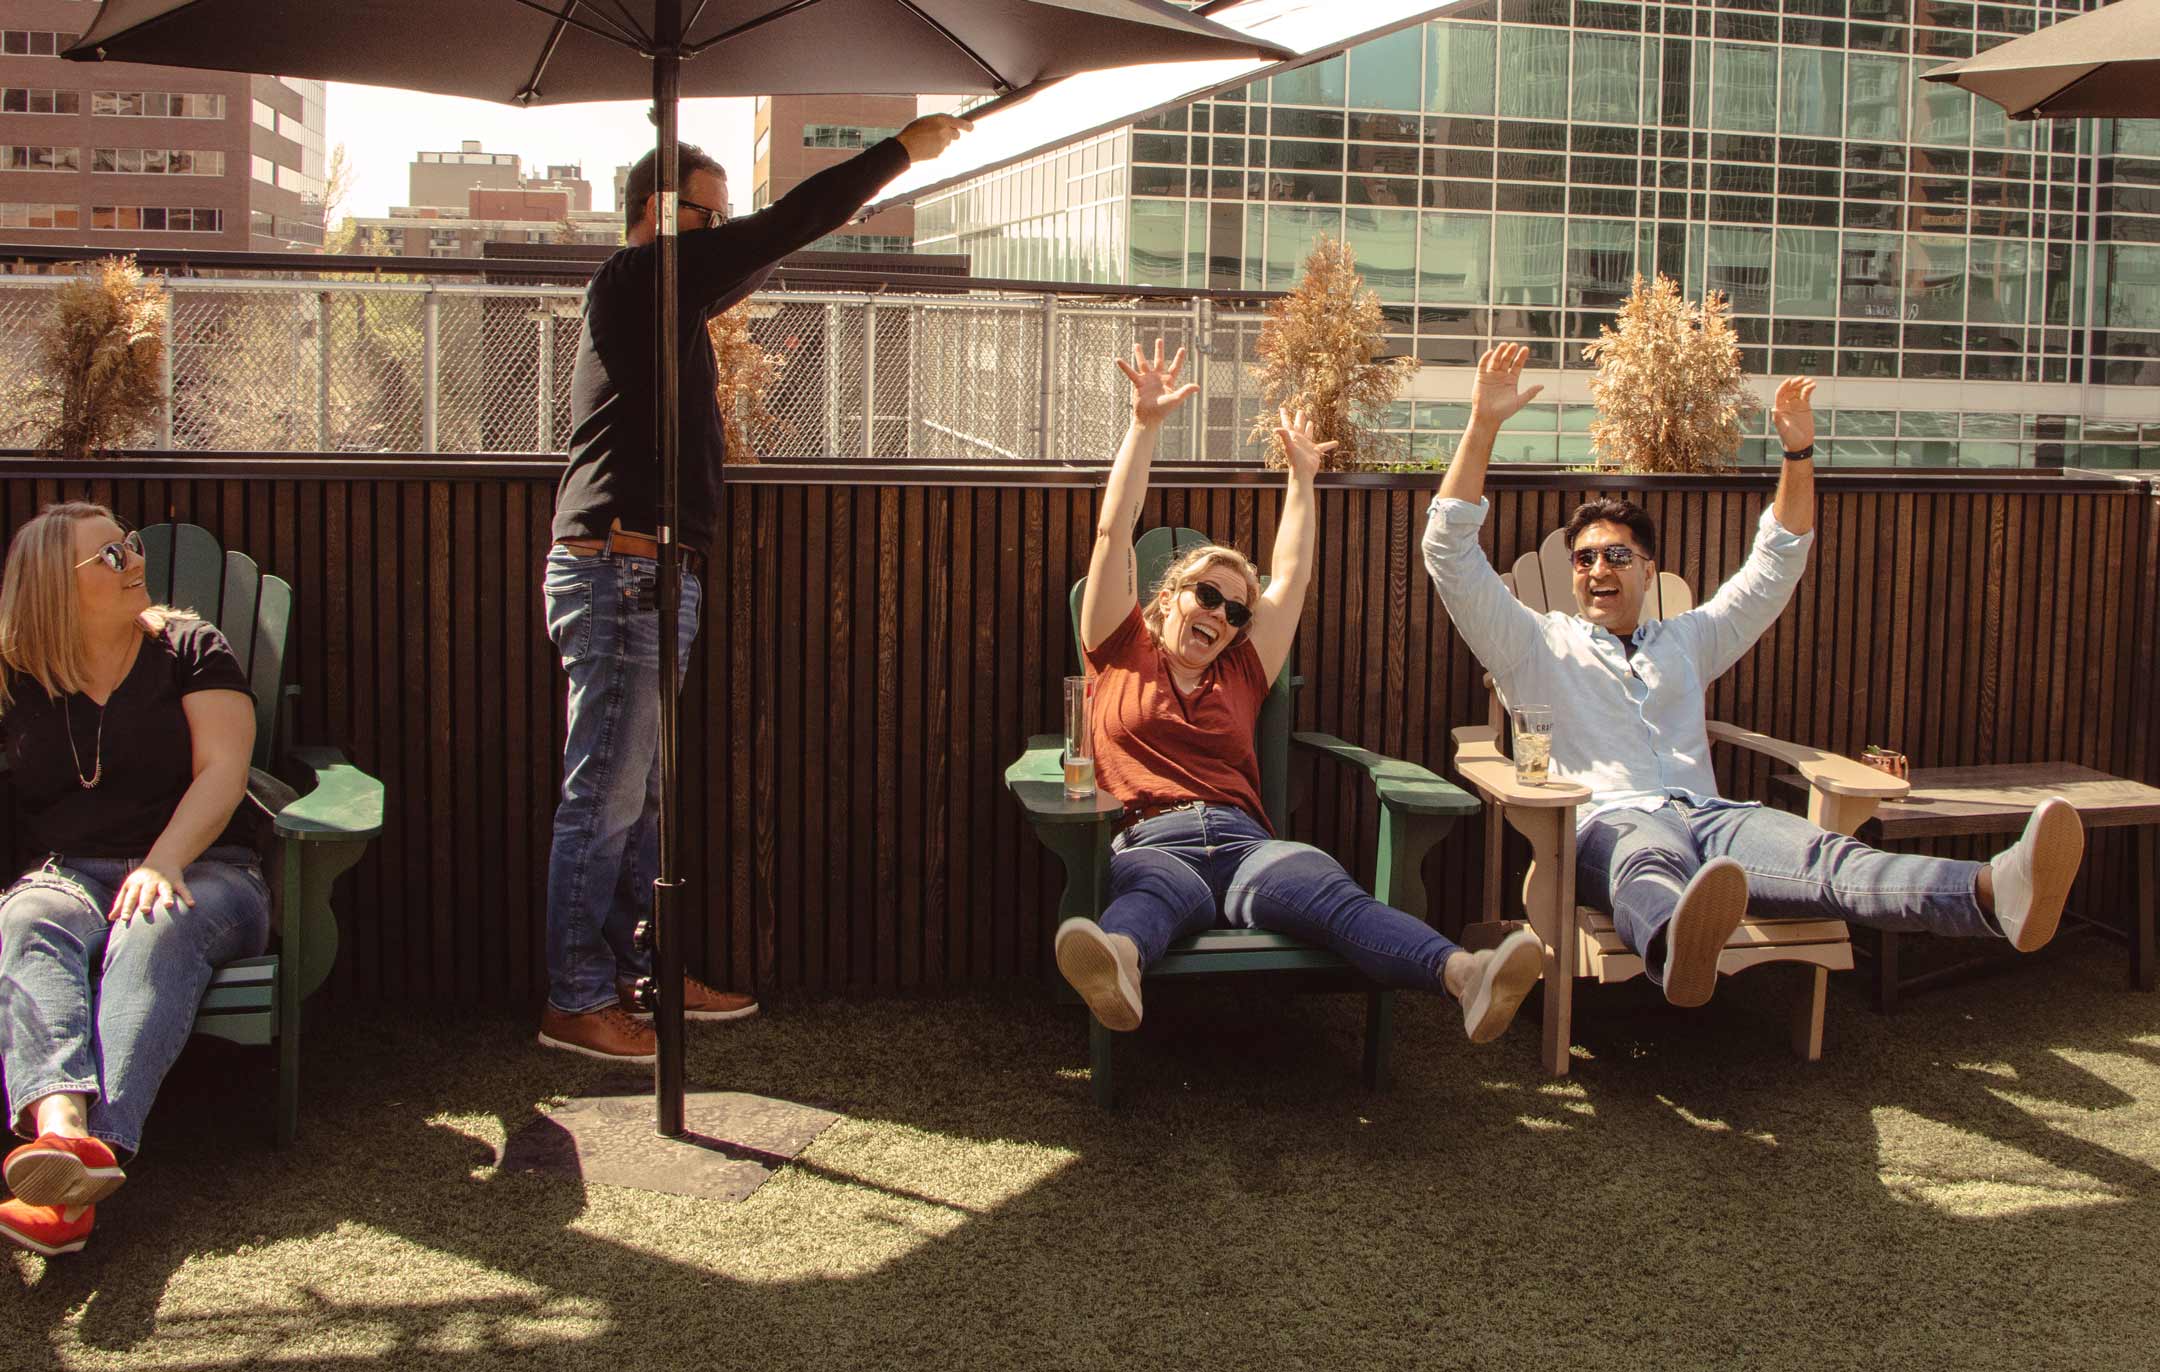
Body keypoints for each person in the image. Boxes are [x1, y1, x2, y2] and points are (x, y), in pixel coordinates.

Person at [1422, 345, 2086, 1007]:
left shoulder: (1688, 640)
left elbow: (1775, 567)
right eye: (1585, 557)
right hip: (1609, 822)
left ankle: (1995, 891)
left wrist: (1798, 456)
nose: (1598, 569)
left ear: (1649, 571)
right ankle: (1675, 946)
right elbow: (1448, 551)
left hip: (1716, 820)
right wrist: (1483, 422)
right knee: (1645, 868)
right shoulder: (1533, 644)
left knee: (1829, 858)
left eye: (1617, 555)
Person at [541, 114, 969, 1061]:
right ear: (660, 212)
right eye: (710, 215)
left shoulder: (669, 303)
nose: (724, 229)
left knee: (640, 797)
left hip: (650, 572)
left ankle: (634, 977)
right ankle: (574, 997)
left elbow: (758, 246)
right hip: (621, 569)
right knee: (605, 798)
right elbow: (785, 226)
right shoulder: (637, 278)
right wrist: (902, 151)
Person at [1053, 342, 1545, 1044]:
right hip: (1150, 840)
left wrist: (1303, 479)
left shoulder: (1242, 673)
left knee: (1329, 895)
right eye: (1208, 596)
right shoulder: (1118, 649)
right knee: (1150, 899)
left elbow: (1292, 577)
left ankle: (1468, 977)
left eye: (1236, 612)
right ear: (1167, 599)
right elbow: (1112, 532)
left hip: (1248, 843)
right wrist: (1145, 425)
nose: (1222, 616)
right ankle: (1120, 969)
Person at [0, 503, 268, 1257]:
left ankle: (95, 1155)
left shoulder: (189, 646)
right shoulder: (18, 672)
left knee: (157, 921)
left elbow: (224, 768)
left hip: (208, 871)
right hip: (71, 875)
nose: (133, 562)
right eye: (108, 558)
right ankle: (62, 1138)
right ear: (55, 588)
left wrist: (164, 860)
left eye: (130, 546)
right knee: (25, 920)